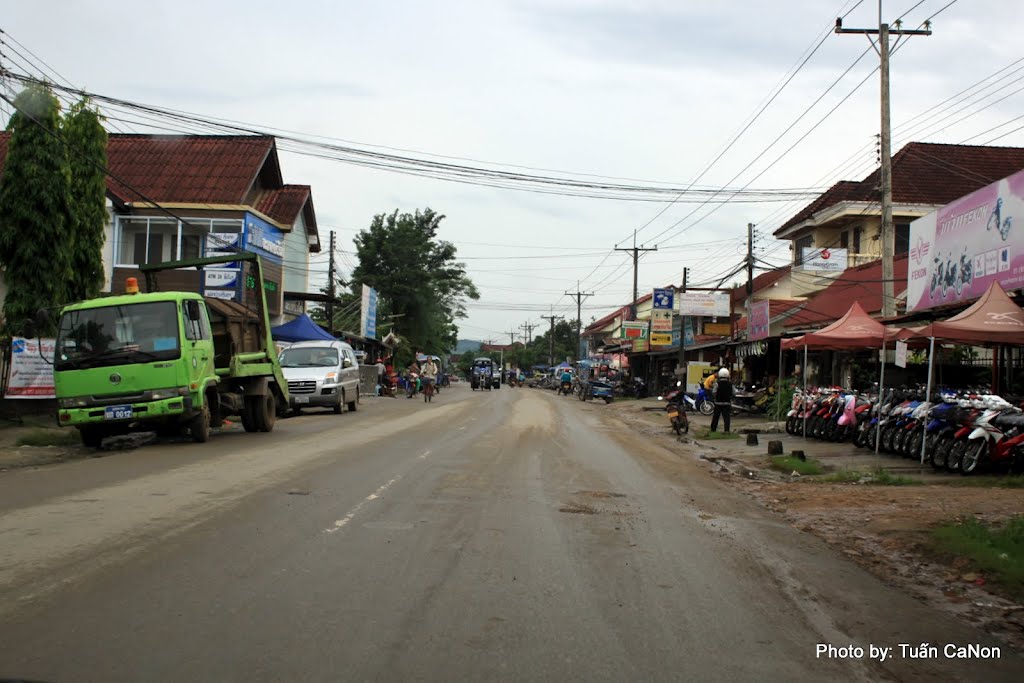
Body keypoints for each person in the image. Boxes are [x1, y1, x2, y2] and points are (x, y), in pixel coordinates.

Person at [710, 367, 734, 433]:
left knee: (716, 417)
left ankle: (713, 429)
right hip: (727, 403)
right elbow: (734, 393)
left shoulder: (717, 384)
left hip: (718, 403)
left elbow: (714, 392)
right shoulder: (730, 384)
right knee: (726, 418)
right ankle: (727, 430)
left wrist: (716, 398)